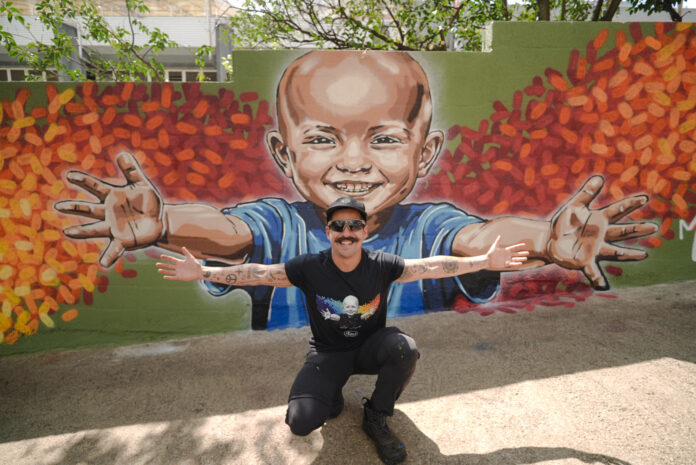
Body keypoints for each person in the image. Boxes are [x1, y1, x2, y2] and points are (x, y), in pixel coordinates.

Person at [54, 51, 658, 330]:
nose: (353, 162)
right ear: (283, 155)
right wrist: (165, 224)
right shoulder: (280, 223)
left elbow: (479, 240)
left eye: (384, 139)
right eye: (321, 138)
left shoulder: (428, 225)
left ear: (426, 153)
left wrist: (547, 240)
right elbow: (230, 234)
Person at [155, 196, 529, 465]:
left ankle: (376, 416)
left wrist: (483, 261)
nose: (346, 232)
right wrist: (203, 272)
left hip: (371, 347)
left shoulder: (382, 264)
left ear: (364, 231)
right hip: (328, 353)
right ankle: (330, 394)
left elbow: (432, 266)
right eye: (338, 226)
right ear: (328, 231)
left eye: (353, 225)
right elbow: (259, 274)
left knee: (405, 348)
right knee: (300, 422)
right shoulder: (309, 267)